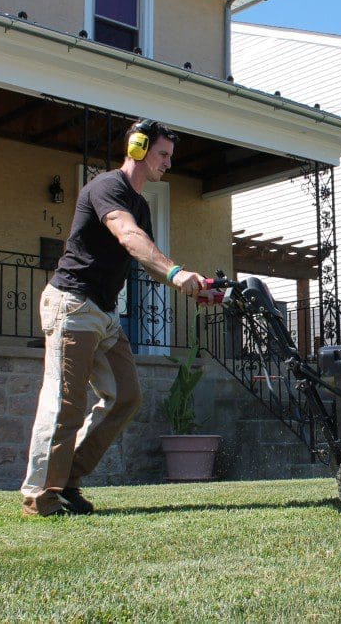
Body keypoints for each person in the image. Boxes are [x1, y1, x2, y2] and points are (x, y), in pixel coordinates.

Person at [21, 119, 206, 517]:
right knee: (64, 401)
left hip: (104, 312)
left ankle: (68, 477)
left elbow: (147, 254)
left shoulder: (140, 203)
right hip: (72, 304)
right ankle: (40, 493)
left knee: (125, 396)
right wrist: (176, 273)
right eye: (163, 155)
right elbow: (128, 236)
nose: (168, 164)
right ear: (137, 148)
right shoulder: (107, 187)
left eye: (171, 157)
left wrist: (193, 284)